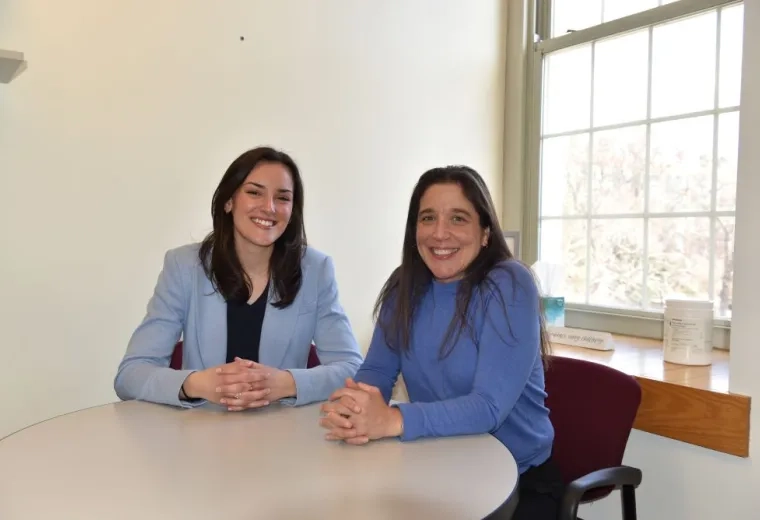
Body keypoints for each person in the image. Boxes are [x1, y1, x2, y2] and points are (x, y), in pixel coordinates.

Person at [318, 165, 563, 519]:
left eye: (458, 219)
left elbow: (488, 408)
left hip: (518, 482)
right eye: (427, 218)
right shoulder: (405, 285)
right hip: (436, 461)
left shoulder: (509, 283)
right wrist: (356, 409)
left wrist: (390, 420)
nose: (440, 233)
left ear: (485, 232)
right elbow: (377, 370)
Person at [115, 146, 363, 410]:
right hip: (198, 435)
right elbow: (130, 375)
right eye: (254, 192)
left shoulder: (316, 270)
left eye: (283, 198)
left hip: (282, 434)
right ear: (228, 201)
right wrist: (197, 384)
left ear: (292, 212)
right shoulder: (184, 266)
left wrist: (285, 383)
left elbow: (353, 370)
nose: (269, 208)